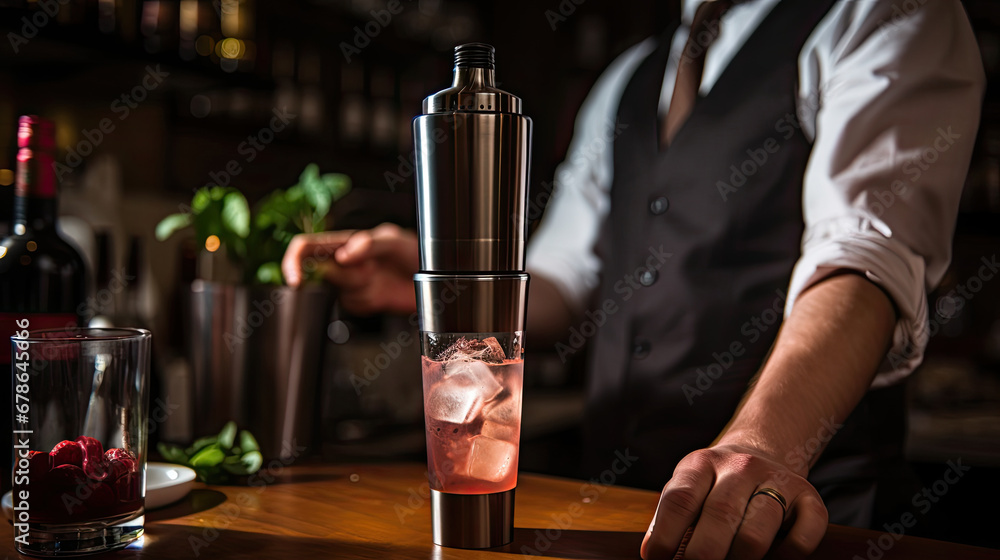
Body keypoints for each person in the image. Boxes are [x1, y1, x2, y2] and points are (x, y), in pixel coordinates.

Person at [283, 1, 984, 558]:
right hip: (618, 503)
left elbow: (864, 258)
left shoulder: (888, 13)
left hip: (793, 517)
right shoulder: (628, 78)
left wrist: (763, 446)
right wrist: (438, 269)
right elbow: (564, 277)